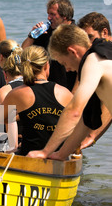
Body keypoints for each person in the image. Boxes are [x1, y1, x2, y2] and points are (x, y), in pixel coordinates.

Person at [26, 24, 112, 160]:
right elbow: (85, 120)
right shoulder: (104, 53)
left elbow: (74, 111)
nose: (67, 69)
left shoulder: (93, 61)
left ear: (72, 52)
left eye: (64, 63)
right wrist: (61, 154)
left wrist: (45, 152)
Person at [0, 45, 73, 156]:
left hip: (29, 156)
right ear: (46, 65)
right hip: (58, 157)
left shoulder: (17, 93)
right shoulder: (65, 93)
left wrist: (22, 114)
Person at [22, 0, 77, 91]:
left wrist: (73, 96)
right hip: (48, 89)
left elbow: (82, 70)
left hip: (69, 89)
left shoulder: (77, 33)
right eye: (48, 14)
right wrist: (32, 35)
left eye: (52, 14)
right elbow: (23, 52)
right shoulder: (46, 32)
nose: (48, 18)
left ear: (64, 16)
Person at [78, 12, 112, 149]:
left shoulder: (104, 56)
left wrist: (90, 137)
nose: (88, 44)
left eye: (91, 37)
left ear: (104, 32)